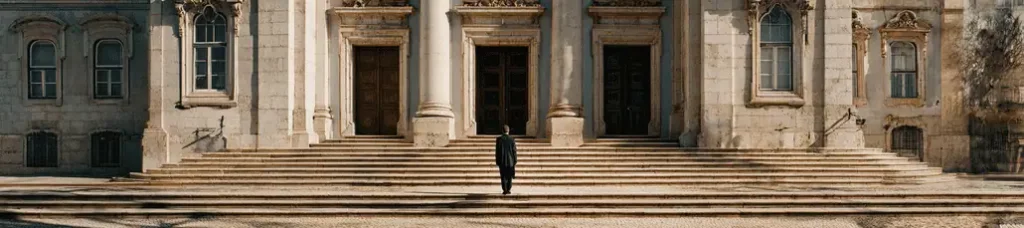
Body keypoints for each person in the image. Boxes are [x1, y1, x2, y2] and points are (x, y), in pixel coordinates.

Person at [495, 125, 518, 195]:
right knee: (509, 176)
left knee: (503, 176)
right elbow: (514, 151)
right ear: (508, 131)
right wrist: (515, 160)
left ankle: (504, 189)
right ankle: (508, 189)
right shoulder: (512, 139)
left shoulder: (499, 139)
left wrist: (497, 161)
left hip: (502, 161)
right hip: (510, 161)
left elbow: (497, 151)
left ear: (502, 131)